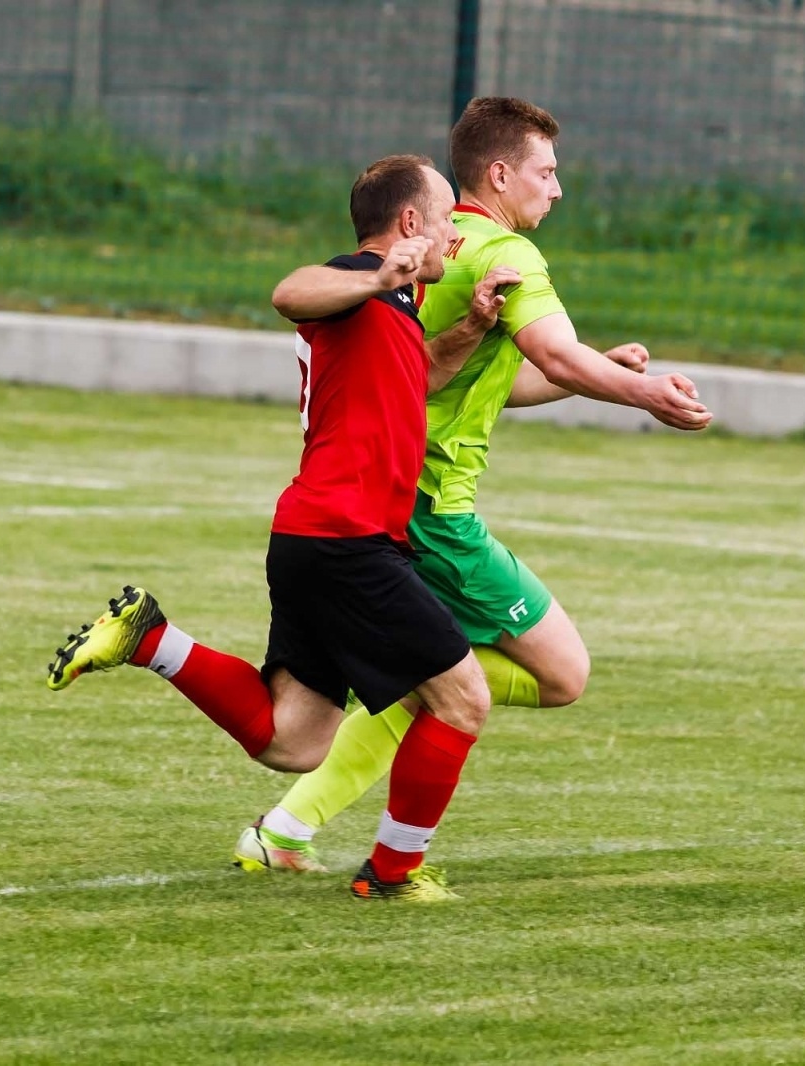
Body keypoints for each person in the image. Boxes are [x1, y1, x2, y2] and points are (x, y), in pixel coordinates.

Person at [233, 98, 713, 876]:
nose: (557, 190)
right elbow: (556, 355)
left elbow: (507, 380)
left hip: (398, 500)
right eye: (546, 172)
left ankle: (288, 830)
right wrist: (646, 392)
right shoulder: (503, 255)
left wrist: (602, 375)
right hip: (431, 511)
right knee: (560, 674)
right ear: (498, 174)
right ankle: (361, 855)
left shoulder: (434, 248)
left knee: (433, 680)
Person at [45, 154, 521, 903]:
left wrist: (472, 325)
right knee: (461, 698)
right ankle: (393, 875)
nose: (449, 240)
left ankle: (151, 639)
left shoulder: (395, 310)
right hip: (346, 540)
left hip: (319, 540)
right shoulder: (358, 287)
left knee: (292, 740)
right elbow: (288, 291)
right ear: (406, 225)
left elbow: (418, 376)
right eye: (441, 224)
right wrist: (375, 274)